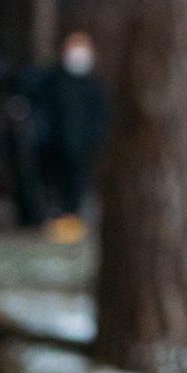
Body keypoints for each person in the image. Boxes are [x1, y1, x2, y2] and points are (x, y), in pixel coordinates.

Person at [40, 31, 109, 242]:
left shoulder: (95, 86)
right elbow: (45, 113)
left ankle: (75, 222)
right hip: (56, 148)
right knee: (55, 187)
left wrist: (94, 141)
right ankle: (58, 222)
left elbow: (101, 118)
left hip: (84, 149)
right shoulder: (54, 82)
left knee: (79, 187)